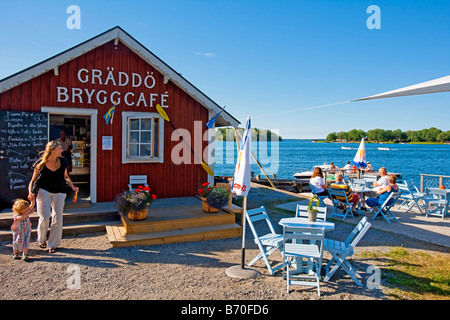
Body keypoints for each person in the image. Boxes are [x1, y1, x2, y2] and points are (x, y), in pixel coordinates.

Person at [28, 140, 79, 253]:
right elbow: (32, 180)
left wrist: (72, 186)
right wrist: (30, 192)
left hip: (60, 191)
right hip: (44, 191)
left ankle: (53, 244)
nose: (62, 150)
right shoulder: (41, 163)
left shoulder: (63, 161)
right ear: (52, 150)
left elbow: (66, 177)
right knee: (45, 216)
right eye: (59, 148)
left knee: (57, 217)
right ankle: (42, 239)